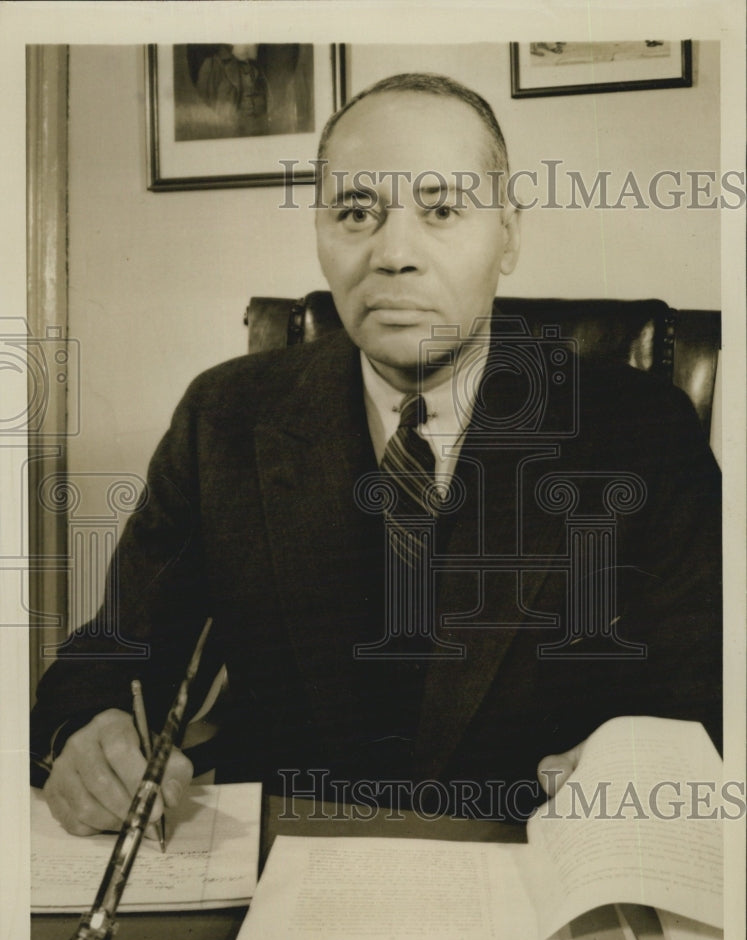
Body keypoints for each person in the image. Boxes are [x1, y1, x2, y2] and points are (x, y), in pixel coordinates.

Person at [31, 73, 721, 835]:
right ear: (319, 231)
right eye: (356, 212)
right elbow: (115, 653)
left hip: (533, 873)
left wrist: (637, 761)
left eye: (442, 210)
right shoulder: (224, 415)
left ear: (509, 234)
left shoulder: (642, 429)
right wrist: (86, 732)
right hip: (283, 879)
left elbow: (707, 690)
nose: (394, 254)